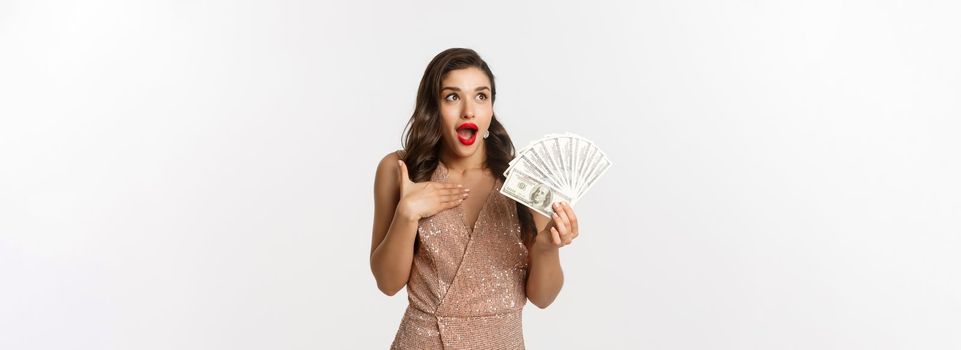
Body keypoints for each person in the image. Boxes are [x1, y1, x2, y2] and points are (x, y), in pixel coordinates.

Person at [369, 48, 581, 349]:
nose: (469, 111)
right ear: (433, 107)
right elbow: (387, 284)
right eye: (452, 97)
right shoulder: (400, 169)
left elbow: (543, 298)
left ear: (491, 107)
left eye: (481, 96)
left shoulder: (525, 179)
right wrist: (408, 213)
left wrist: (547, 248)